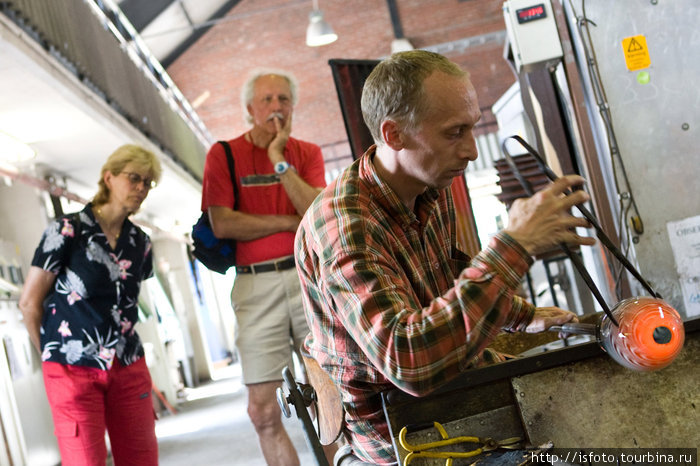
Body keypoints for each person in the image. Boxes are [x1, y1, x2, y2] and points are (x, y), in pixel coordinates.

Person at [295, 50, 597, 465]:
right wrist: (513, 246)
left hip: (458, 391)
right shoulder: (347, 228)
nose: (472, 151)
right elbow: (410, 363)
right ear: (394, 134)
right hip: (404, 432)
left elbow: (448, 280)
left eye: (472, 129)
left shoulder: (428, 189)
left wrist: (523, 315)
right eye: (455, 133)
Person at [200, 68, 327, 465]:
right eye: (267, 100)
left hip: (309, 281)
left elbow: (315, 211)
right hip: (256, 288)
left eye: (283, 99)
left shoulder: (306, 153)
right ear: (250, 108)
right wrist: (287, 222)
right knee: (263, 411)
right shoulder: (224, 154)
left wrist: (278, 158)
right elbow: (224, 222)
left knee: (332, 397)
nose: (276, 107)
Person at [18, 144, 162, 466]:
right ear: (108, 177)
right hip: (72, 368)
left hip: (128, 363)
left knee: (142, 460)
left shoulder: (141, 242)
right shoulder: (67, 230)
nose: (141, 188)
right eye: (135, 178)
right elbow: (29, 304)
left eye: (148, 183)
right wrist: (54, 355)